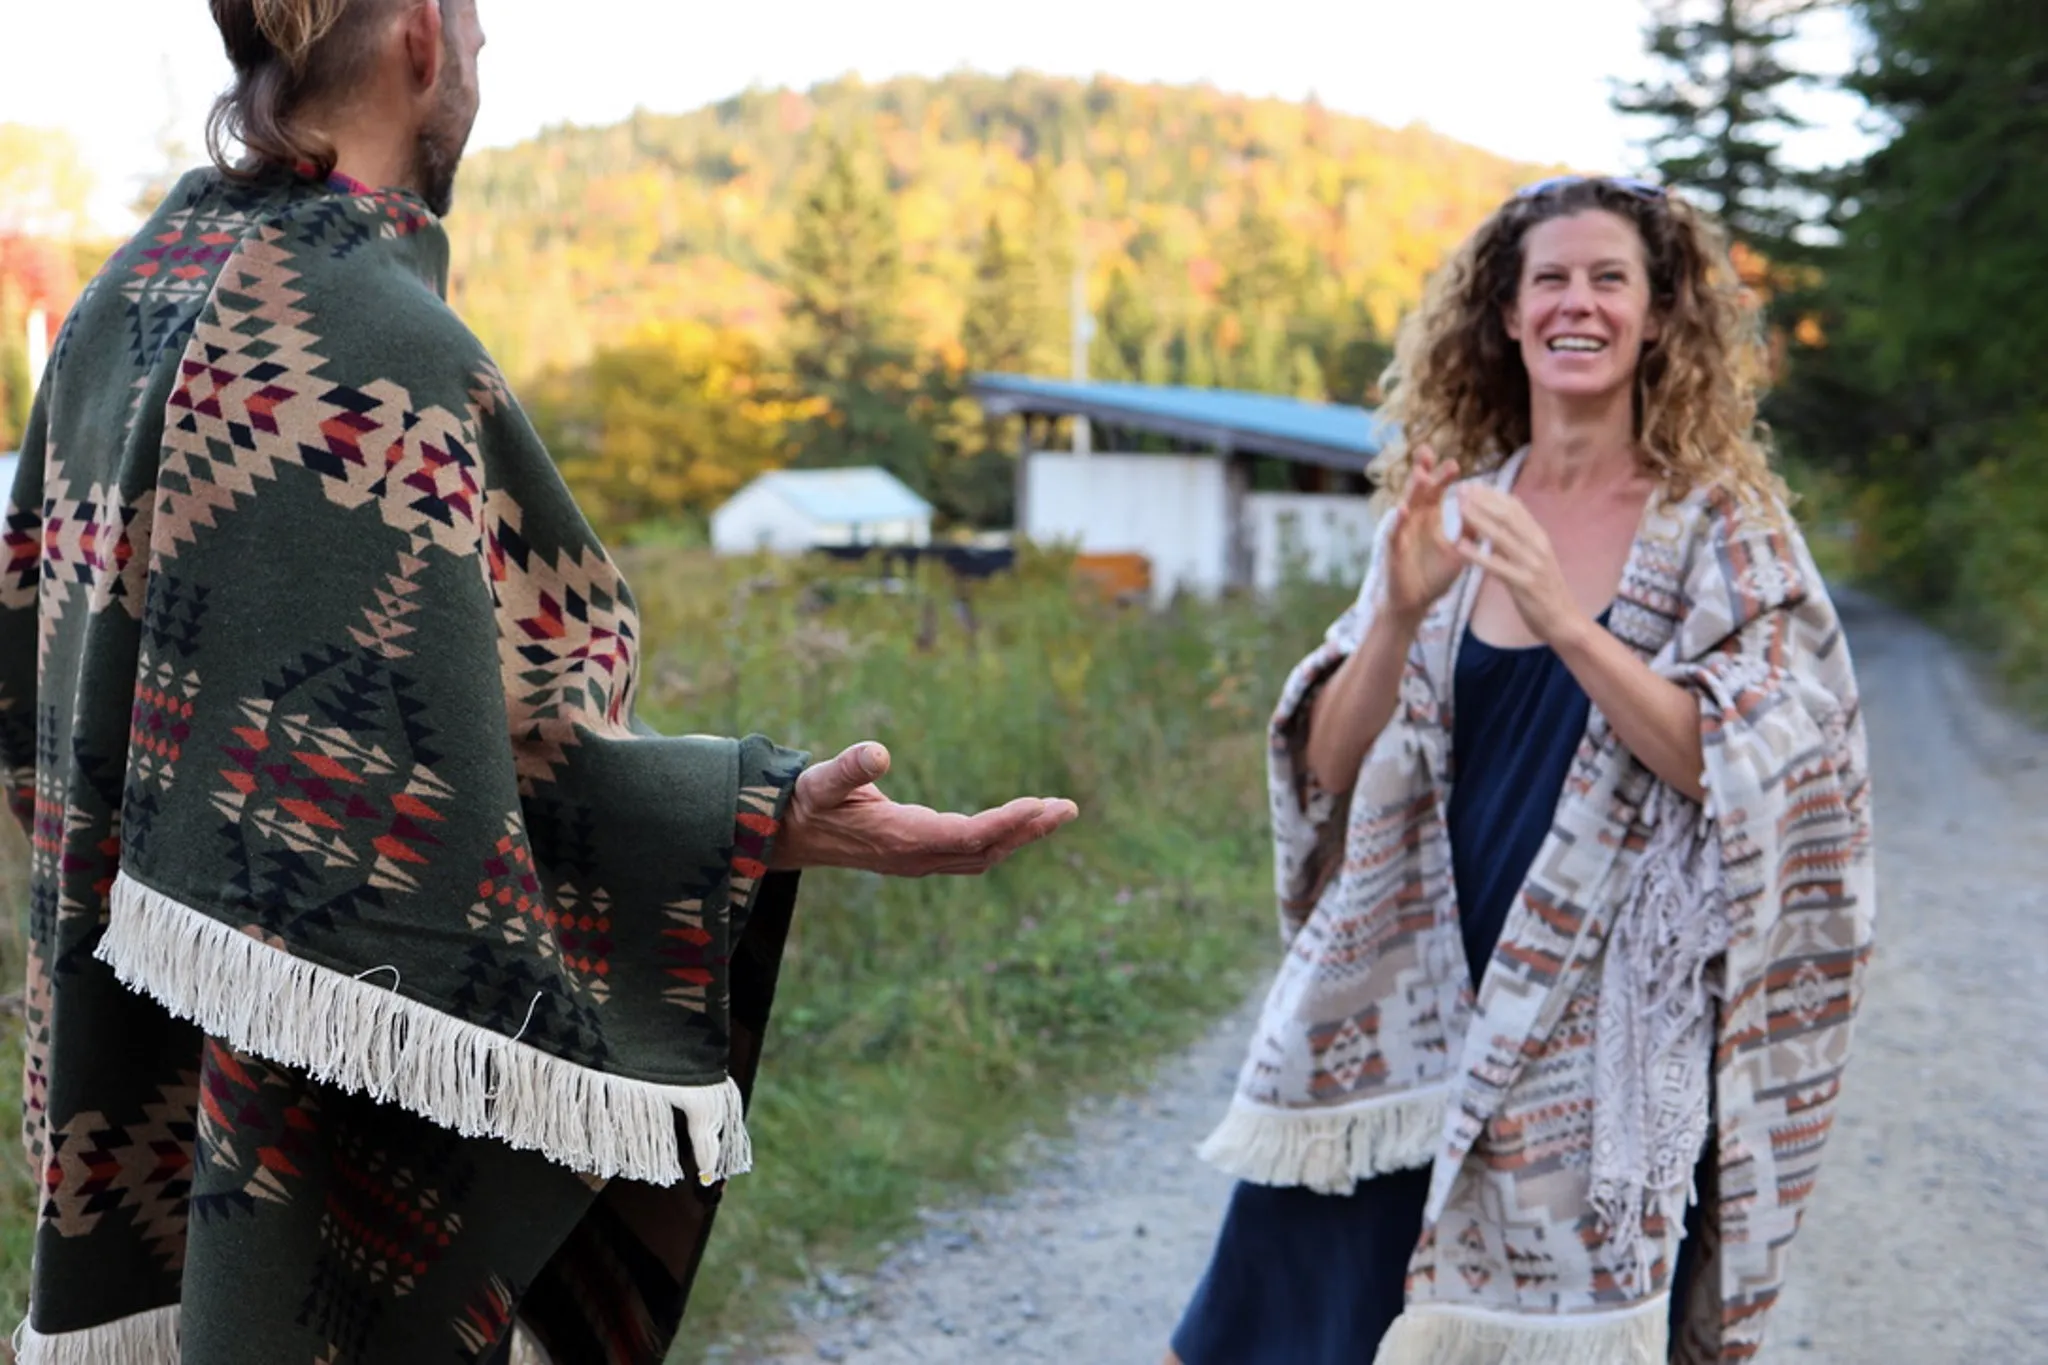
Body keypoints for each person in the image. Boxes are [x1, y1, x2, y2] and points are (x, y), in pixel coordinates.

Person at [0, 2, 1077, 1361]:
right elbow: (470, 782)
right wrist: (757, 813)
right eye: (471, 15)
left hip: (119, 1127)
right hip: (297, 1165)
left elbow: (39, 707)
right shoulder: (376, 340)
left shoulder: (118, 305)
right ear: (416, 40)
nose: (486, 44)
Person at [1167, 176, 1875, 1365]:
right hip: (1402, 1002)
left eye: (1610, 279)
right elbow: (1330, 768)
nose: (1576, 304)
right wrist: (1393, 614)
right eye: (1548, 278)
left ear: (1658, 318)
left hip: (1593, 1030)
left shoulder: (1719, 528)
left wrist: (1565, 619)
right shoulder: (1454, 508)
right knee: (1269, 1322)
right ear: (1502, 313)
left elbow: (1742, 768)